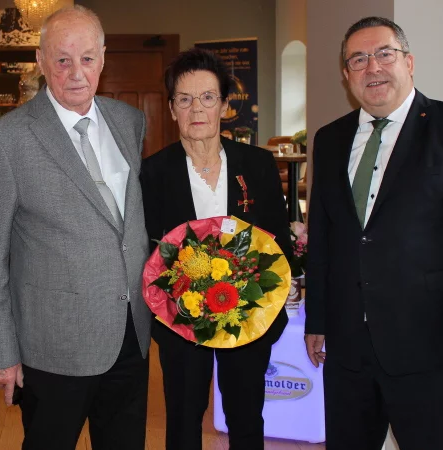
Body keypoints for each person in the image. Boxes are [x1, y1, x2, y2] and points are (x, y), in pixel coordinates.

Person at [304, 16, 443, 450]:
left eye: (384, 54)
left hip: (429, 349)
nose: (372, 67)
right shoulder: (331, 138)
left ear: (409, 62)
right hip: (347, 350)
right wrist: (317, 319)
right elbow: (323, 239)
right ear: (346, 75)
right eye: (358, 59)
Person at [0, 6, 150, 450]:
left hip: (130, 335)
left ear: (103, 58)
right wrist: (0, 352)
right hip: (52, 347)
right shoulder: (6, 141)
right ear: (41, 59)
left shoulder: (128, 122)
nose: (76, 73)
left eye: (87, 58)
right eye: (62, 59)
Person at [140, 48, 293, 450]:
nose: (197, 109)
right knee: (183, 418)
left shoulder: (257, 165)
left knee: (246, 416)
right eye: (184, 99)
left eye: (208, 97)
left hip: (246, 316)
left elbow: (277, 242)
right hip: (182, 321)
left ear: (225, 106)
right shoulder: (153, 173)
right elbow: (148, 254)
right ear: (172, 108)